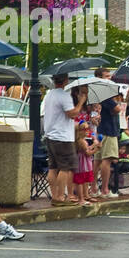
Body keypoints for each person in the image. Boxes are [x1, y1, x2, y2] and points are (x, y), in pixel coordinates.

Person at [42, 74, 85, 205]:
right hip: (63, 136)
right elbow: (72, 114)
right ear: (65, 80)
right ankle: (60, 196)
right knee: (65, 168)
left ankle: (55, 196)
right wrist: (81, 101)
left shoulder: (49, 94)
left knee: (53, 167)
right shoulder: (64, 95)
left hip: (50, 135)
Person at [95, 68, 122, 198]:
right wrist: (117, 104)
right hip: (108, 130)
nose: (109, 78)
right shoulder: (104, 92)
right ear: (100, 78)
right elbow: (116, 108)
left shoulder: (97, 92)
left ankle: (94, 187)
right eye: (106, 76)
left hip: (100, 130)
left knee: (97, 160)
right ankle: (105, 189)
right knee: (107, 159)